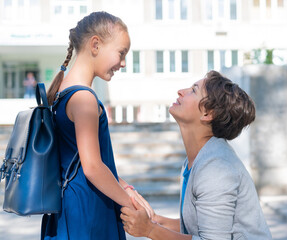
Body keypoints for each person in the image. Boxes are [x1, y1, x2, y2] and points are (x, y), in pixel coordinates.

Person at [120, 70, 272, 240]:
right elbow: (198, 224)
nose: (181, 91)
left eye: (193, 90)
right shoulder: (197, 160)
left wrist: (150, 230)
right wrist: (155, 221)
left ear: (207, 114)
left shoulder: (216, 169)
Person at [41, 11, 148, 240]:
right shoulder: (83, 98)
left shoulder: (61, 93)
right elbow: (92, 167)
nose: (123, 63)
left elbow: (83, 163)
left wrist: (127, 187)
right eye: (121, 53)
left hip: (69, 208)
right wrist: (131, 205)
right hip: (87, 212)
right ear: (95, 45)